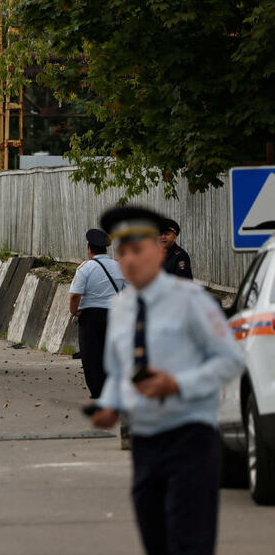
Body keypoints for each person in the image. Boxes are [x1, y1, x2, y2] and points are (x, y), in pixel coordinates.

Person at [90, 206, 243, 555]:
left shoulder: (192, 300)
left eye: (137, 250)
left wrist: (178, 384)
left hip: (190, 438)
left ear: (159, 251)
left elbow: (230, 360)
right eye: (122, 252)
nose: (129, 260)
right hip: (145, 442)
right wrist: (109, 405)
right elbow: (117, 370)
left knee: (188, 542)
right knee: (154, 540)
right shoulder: (121, 308)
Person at [69, 228, 126, 399]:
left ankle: (98, 391)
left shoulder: (85, 268)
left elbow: (74, 295)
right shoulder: (118, 267)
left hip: (91, 317)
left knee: (91, 354)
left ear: (89, 249)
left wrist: (74, 311)